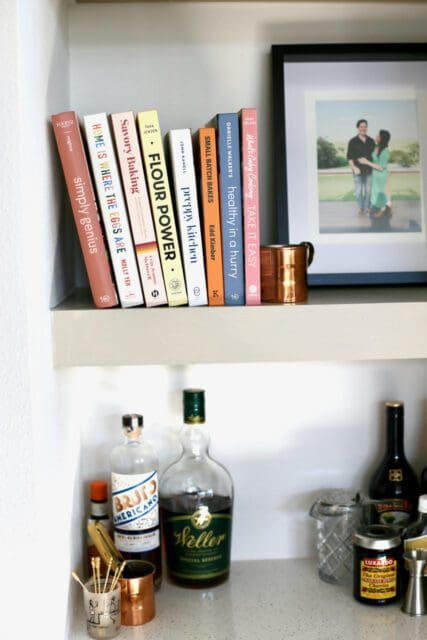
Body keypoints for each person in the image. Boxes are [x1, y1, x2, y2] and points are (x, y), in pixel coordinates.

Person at [358, 129, 392, 230]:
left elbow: (381, 167)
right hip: (375, 175)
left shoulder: (385, 151)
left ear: (382, 138)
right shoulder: (376, 147)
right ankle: (377, 213)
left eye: (378, 135)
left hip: (381, 176)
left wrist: (366, 162)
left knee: (381, 193)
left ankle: (382, 212)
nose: (376, 136)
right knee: (375, 193)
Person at [347, 119, 376, 216]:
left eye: (365, 126)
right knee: (358, 192)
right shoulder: (352, 141)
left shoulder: (371, 141)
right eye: (361, 126)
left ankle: (367, 208)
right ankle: (361, 208)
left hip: (369, 171)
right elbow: (349, 157)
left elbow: (375, 157)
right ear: (358, 128)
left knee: (368, 191)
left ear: (367, 127)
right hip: (357, 172)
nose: (363, 128)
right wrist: (354, 167)